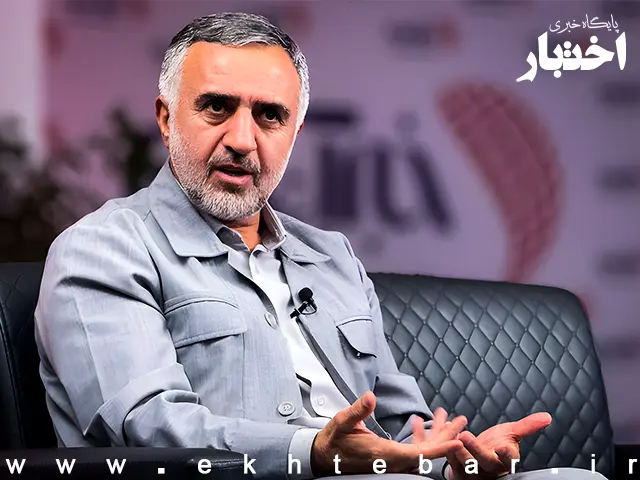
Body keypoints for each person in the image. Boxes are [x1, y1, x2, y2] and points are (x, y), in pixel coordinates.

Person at [34, 12, 603, 480]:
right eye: (217, 107)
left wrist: (456, 461)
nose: (241, 139)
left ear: (294, 133)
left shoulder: (333, 256)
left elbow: (403, 429)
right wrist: (313, 452)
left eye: (269, 116)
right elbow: (149, 430)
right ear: (165, 118)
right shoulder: (103, 249)